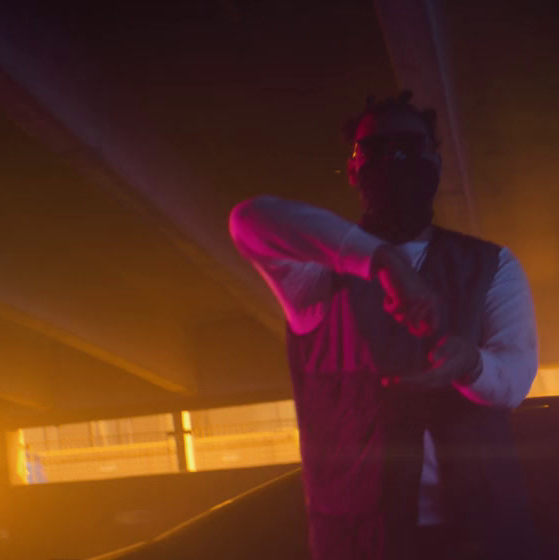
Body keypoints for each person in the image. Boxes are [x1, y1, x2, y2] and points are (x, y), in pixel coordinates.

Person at [228, 91, 540, 560]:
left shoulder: (492, 264)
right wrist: (383, 262)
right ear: (353, 169)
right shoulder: (317, 276)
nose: (393, 158)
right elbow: (248, 219)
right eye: (374, 149)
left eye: (408, 146)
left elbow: (514, 379)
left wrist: (470, 365)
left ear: (434, 161)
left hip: (484, 530)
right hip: (362, 540)